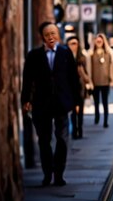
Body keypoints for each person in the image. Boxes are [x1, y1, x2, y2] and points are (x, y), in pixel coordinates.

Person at [21, 21, 79, 186]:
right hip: (41, 104)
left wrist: (76, 101)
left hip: (61, 103)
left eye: (53, 33)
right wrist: (26, 100)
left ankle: (59, 174)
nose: (51, 37)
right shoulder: (33, 55)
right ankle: (48, 173)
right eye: (47, 35)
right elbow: (27, 80)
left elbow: (73, 79)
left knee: (61, 139)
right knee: (44, 140)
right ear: (43, 38)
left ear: (58, 34)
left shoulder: (66, 53)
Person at [66, 35, 93, 139]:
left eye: (75, 43)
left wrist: (84, 76)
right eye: (71, 44)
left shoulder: (82, 57)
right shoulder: (64, 57)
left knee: (80, 110)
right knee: (73, 111)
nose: (74, 46)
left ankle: (80, 129)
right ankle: (74, 131)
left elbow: (88, 73)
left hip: (80, 87)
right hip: (69, 88)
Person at [89, 33, 113, 128]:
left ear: (103, 41)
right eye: (97, 41)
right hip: (95, 82)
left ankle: (106, 121)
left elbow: (112, 67)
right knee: (96, 102)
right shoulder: (91, 53)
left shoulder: (109, 52)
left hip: (105, 82)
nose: (98, 42)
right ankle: (97, 116)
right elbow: (89, 68)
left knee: (105, 102)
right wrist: (89, 81)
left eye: (100, 41)